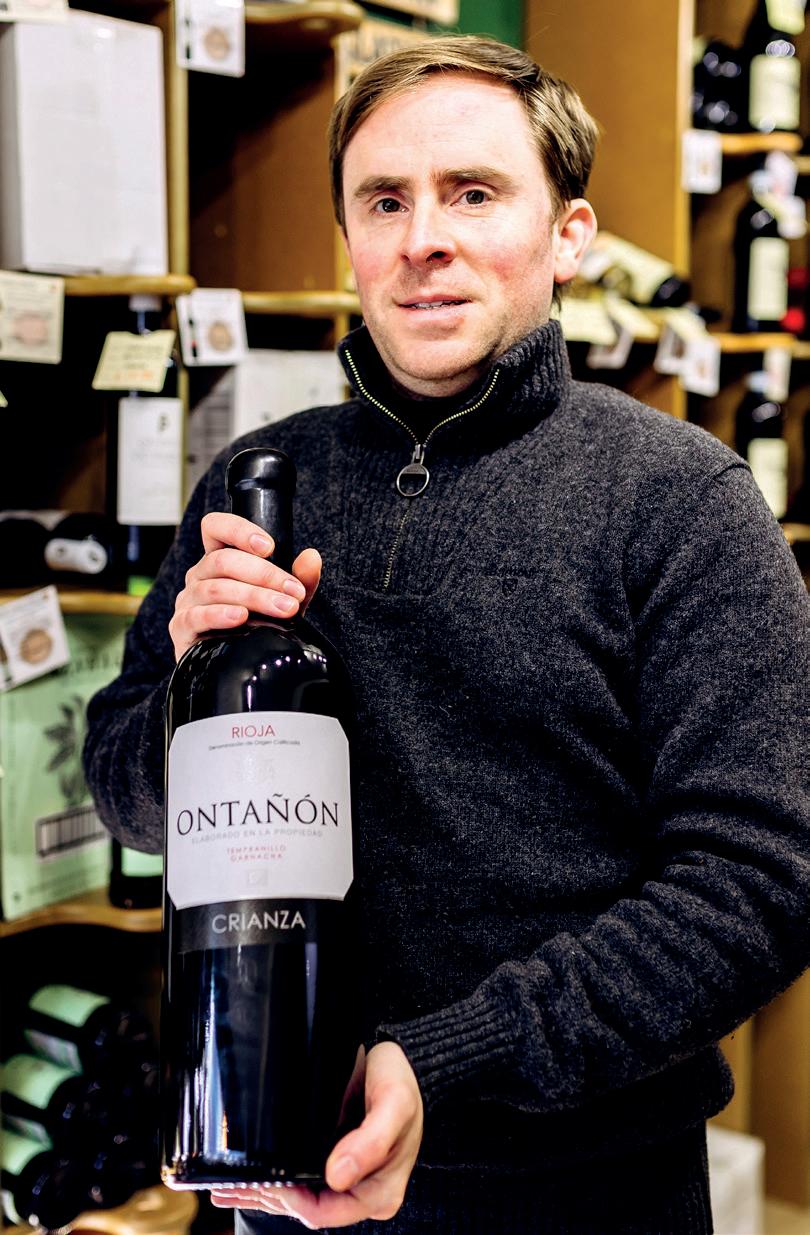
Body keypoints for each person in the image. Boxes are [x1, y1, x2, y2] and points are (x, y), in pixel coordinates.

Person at [83, 35, 809, 1235]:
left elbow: (757, 883)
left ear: (568, 234)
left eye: (473, 193)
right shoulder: (259, 482)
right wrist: (188, 702)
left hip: (579, 1197)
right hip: (273, 1182)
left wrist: (447, 1061)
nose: (423, 237)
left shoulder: (683, 503)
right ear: (351, 238)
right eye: (385, 200)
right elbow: (124, 793)